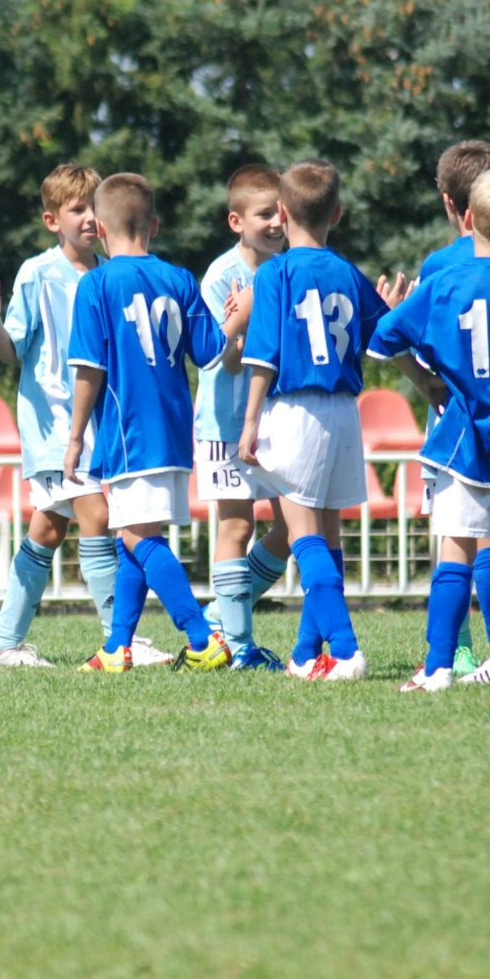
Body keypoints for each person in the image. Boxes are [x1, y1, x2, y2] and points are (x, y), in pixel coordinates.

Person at [368, 168, 490, 691]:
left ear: (467, 217)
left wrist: (431, 381)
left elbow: (383, 340)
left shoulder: (442, 285)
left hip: (462, 441)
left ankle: (437, 668)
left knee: (456, 550)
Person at [0, 164, 169, 667]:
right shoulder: (37, 273)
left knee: (49, 529)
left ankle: (4, 644)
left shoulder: (111, 272)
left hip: (104, 423)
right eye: (77, 209)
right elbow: (12, 352)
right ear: (52, 220)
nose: (88, 219)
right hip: (55, 424)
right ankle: (118, 641)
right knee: (97, 515)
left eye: (93, 209)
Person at [64, 172, 243, 672]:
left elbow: (89, 369)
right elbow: (211, 352)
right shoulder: (180, 279)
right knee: (132, 537)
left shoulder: (95, 284)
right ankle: (117, 647)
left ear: (98, 228)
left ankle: (203, 639)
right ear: (155, 225)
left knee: (140, 538)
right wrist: (235, 318)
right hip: (172, 429)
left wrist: (75, 436)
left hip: (129, 433)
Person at [233, 158, 398, 679]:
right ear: (338, 213)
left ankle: (346, 650)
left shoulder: (275, 271)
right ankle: (307, 654)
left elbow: (262, 357)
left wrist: (249, 421)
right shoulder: (348, 271)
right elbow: (384, 336)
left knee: (302, 535)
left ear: (281, 213)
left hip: (295, 408)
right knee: (327, 535)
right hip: (345, 412)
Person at [193, 165, 292, 670]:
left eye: (281, 211)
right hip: (226, 425)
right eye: (264, 213)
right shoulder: (220, 276)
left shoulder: (290, 269)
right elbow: (220, 359)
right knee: (236, 528)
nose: (276, 222)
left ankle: (220, 619)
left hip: (279, 421)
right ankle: (238, 647)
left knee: (295, 528)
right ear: (237, 221)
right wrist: (245, 312)